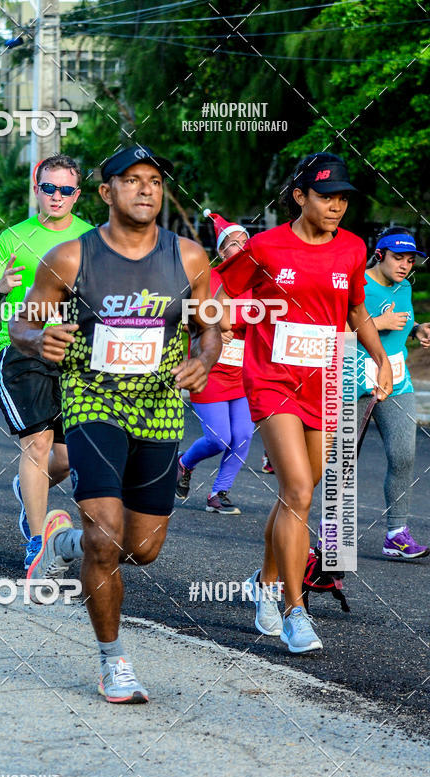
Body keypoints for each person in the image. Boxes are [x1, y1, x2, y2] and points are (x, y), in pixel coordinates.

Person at [9, 145, 220, 703]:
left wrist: (206, 357)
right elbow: (22, 323)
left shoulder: (191, 257)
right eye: (132, 181)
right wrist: (39, 338)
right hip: (93, 400)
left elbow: (210, 325)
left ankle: (60, 543)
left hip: (160, 406)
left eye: (154, 180)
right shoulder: (70, 257)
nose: (146, 190)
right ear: (106, 193)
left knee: (143, 547)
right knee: (106, 539)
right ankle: (113, 660)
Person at [217, 152, 392, 653]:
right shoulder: (265, 247)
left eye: (342, 198)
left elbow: (356, 309)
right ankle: (294, 611)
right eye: (325, 195)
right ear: (299, 196)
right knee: (298, 489)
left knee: (297, 492)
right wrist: (220, 326)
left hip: (328, 378)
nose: (336, 205)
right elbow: (222, 294)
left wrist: (379, 357)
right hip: (272, 377)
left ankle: (263, 581)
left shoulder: (355, 248)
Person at [0, 155, 92, 569]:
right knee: (37, 443)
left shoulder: (92, 238)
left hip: (72, 354)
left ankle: (29, 489)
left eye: (66, 190)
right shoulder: (12, 238)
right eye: (49, 188)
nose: (57, 196)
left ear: (77, 194)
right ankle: (38, 541)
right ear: (37, 189)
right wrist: (0, 286)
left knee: (73, 454)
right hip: (21, 350)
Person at [356, 226, 430, 559]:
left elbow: (402, 320)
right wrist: (377, 324)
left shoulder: (404, 287)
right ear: (380, 255)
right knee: (340, 463)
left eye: (410, 260)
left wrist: (417, 329)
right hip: (353, 382)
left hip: (397, 380)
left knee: (403, 455)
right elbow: (331, 327)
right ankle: (330, 537)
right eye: (397, 258)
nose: (404, 265)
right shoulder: (358, 283)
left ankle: (396, 534)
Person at [176, 210, 254, 513]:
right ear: (222, 251)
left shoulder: (257, 280)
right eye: (234, 243)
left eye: (245, 241)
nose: (242, 246)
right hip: (208, 370)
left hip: (243, 373)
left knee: (244, 435)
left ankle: (219, 493)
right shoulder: (206, 278)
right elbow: (184, 317)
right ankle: (184, 463)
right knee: (219, 438)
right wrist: (210, 327)